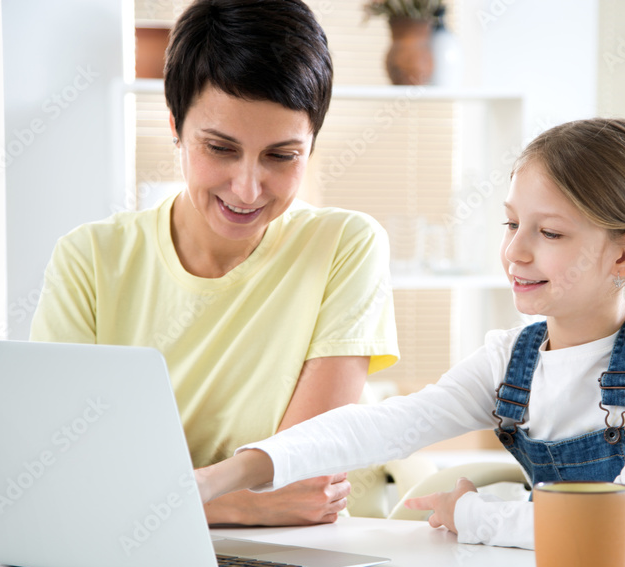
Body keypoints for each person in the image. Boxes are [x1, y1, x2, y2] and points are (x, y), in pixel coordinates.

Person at [194, 118, 625, 552]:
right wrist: (220, 478)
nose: (515, 252)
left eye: (548, 232)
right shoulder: (513, 358)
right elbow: (385, 425)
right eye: (511, 224)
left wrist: (475, 515)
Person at [30, 0, 399, 527]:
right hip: (118, 552)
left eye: (281, 155)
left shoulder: (344, 246)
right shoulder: (89, 260)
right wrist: (242, 503)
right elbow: (65, 476)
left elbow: (300, 471)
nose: (247, 188)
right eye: (220, 148)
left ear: (312, 145)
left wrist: (150, 494)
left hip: (290, 559)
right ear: (176, 127)